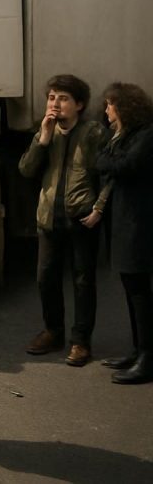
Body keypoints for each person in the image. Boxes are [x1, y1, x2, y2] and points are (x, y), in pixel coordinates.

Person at [18, 75, 109, 366]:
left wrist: (99, 209)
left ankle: (81, 341)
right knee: (46, 278)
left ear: (79, 104)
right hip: (49, 218)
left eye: (63, 98)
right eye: (51, 97)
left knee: (83, 281)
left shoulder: (92, 133)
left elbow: (108, 175)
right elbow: (26, 170)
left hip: (82, 218)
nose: (55, 104)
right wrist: (41, 139)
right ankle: (52, 331)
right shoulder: (46, 133)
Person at [96, 82, 153, 384]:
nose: (106, 111)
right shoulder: (124, 135)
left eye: (110, 105)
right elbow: (105, 161)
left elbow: (122, 165)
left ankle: (147, 356)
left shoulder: (146, 135)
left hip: (139, 224)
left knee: (140, 291)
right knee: (131, 289)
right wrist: (108, 160)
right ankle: (137, 349)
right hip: (124, 221)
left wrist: (107, 161)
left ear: (125, 107)